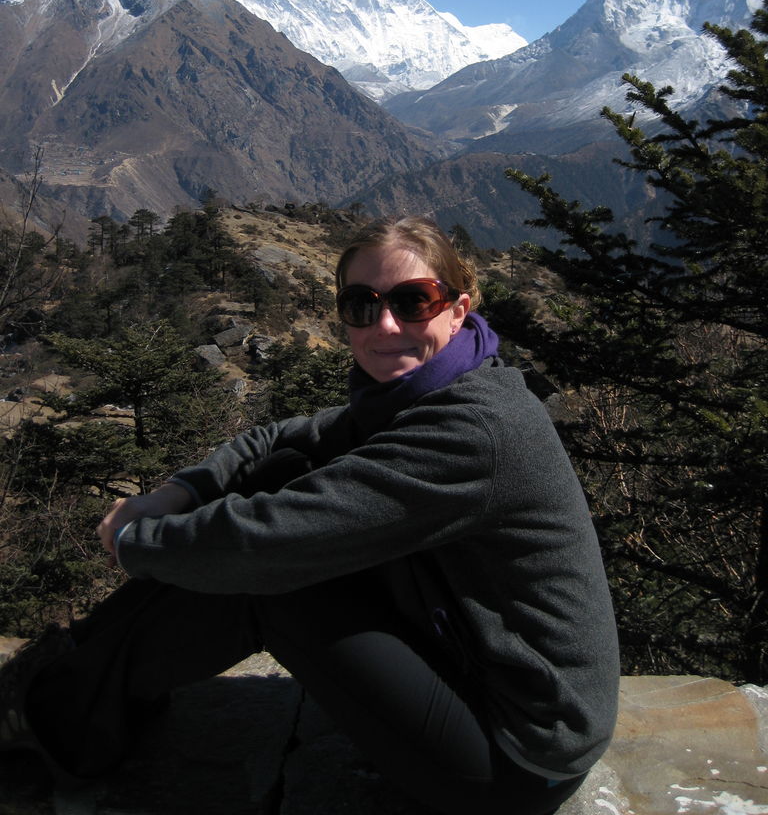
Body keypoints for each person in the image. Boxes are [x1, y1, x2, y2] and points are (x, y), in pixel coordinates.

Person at [0, 216, 619, 814]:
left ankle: (58, 715)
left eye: (414, 301)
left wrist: (138, 541)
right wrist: (174, 495)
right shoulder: (425, 393)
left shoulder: (472, 429)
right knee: (285, 469)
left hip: (515, 754)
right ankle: (80, 668)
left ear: (458, 309)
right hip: (472, 663)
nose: (384, 324)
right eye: (361, 304)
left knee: (270, 584)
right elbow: (273, 440)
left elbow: (262, 545)